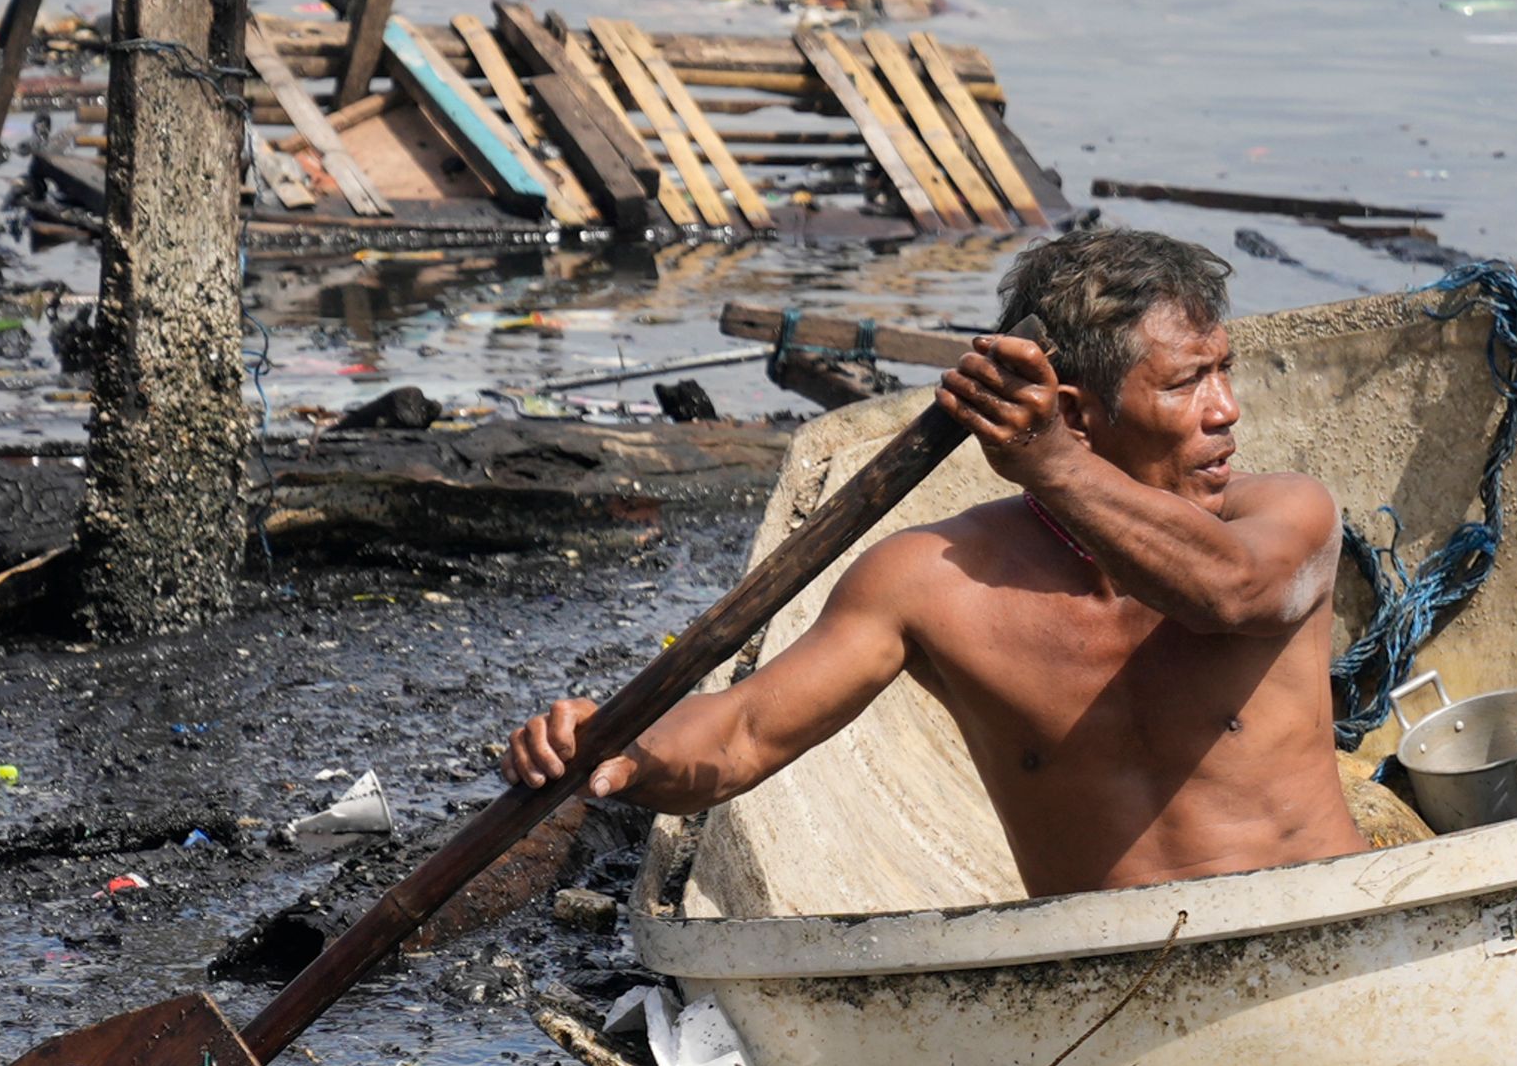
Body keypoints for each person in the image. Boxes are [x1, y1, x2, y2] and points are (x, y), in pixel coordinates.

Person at [504, 228, 1379, 894]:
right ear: (1074, 409)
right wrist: (622, 747)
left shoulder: (1286, 514)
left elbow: (1227, 594)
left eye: (1224, 370)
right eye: (1188, 382)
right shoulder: (931, 581)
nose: (1226, 408)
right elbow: (742, 731)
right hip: (1105, 984)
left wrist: (1055, 465)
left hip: (1326, 931)